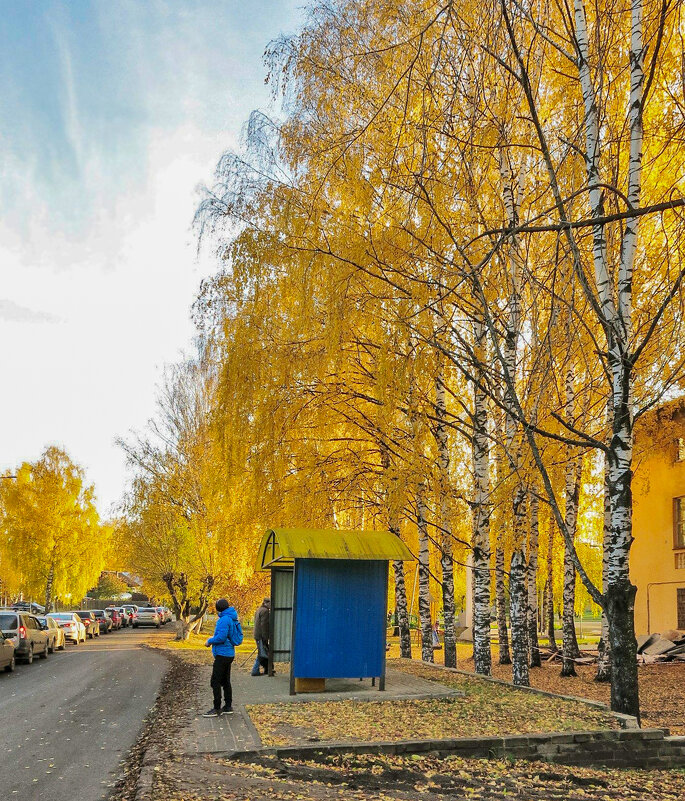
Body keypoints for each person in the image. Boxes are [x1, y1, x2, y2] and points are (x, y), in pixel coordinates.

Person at [203, 598, 241, 717]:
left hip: (222, 654)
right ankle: (228, 706)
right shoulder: (231, 617)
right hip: (229, 653)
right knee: (225, 681)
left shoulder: (224, 619)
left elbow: (221, 637)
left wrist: (209, 641)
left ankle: (216, 708)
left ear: (218, 608)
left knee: (215, 681)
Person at [251, 597, 270, 676]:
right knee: (262, 653)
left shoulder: (259, 610)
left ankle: (267, 669)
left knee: (263, 651)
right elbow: (264, 625)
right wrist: (265, 637)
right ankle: (255, 670)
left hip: (257, 634)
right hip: (261, 636)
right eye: (270, 603)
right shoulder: (265, 611)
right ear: (266, 603)